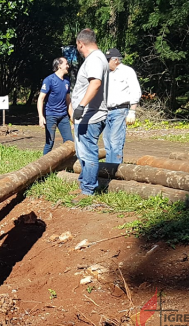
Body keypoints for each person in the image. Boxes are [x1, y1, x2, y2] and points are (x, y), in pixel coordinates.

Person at [70, 28, 109, 200]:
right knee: (83, 152)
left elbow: (95, 84)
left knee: (88, 153)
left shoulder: (94, 59)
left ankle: (88, 190)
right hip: (87, 115)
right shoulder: (97, 58)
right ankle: (84, 183)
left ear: (80, 44)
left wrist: (80, 106)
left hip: (90, 115)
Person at [103, 48, 141, 164]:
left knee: (115, 142)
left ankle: (115, 170)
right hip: (106, 111)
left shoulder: (127, 71)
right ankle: (108, 170)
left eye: (108, 60)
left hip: (120, 110)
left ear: (116, 60)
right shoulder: (106, 73)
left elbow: (135, 91)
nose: (106, 62)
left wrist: (132, 111)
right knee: (107, 142)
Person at [37, 57, 74, 155]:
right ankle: (43, 166)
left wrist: (72, 117)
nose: (68, 66)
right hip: (51, 115)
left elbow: (68, 100)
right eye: (66, 64)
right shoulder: (49, 80)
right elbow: (40, 99)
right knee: (50, 143)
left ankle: (67, 164)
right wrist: (41, 116)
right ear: (59, 66)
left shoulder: (66, 81)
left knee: (70, 142)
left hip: (63, 116)